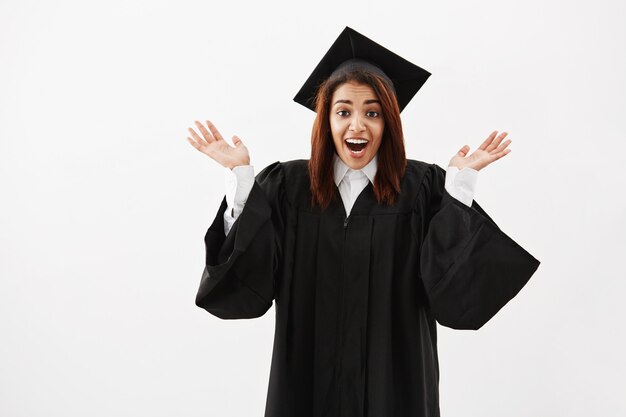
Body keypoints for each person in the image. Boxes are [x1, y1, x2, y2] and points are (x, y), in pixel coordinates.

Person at [186, 27, 540, 417]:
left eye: (372, 112)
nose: (357, 125)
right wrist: (240, 183)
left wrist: (459, 191)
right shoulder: (287, 187)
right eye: (344, 112)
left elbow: (454, 299)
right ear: (326, 121)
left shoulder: (422, 188)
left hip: (396, 391)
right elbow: (247, 287)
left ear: (389, 121)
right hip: (307, 388)